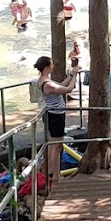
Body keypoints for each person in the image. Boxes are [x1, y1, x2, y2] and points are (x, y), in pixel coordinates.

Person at [34, 54, 78, 189]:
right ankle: (56, 176)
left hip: (54, 114)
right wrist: (75, 75)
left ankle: (52, 172)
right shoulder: (46, 84)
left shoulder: (44, 80)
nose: (53, 66)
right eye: (51, 64)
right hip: (55, 116)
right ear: (47, 67)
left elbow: (61, 85)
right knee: (56, 146)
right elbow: (68, 89)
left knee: (54, 145)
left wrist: (70, 75)